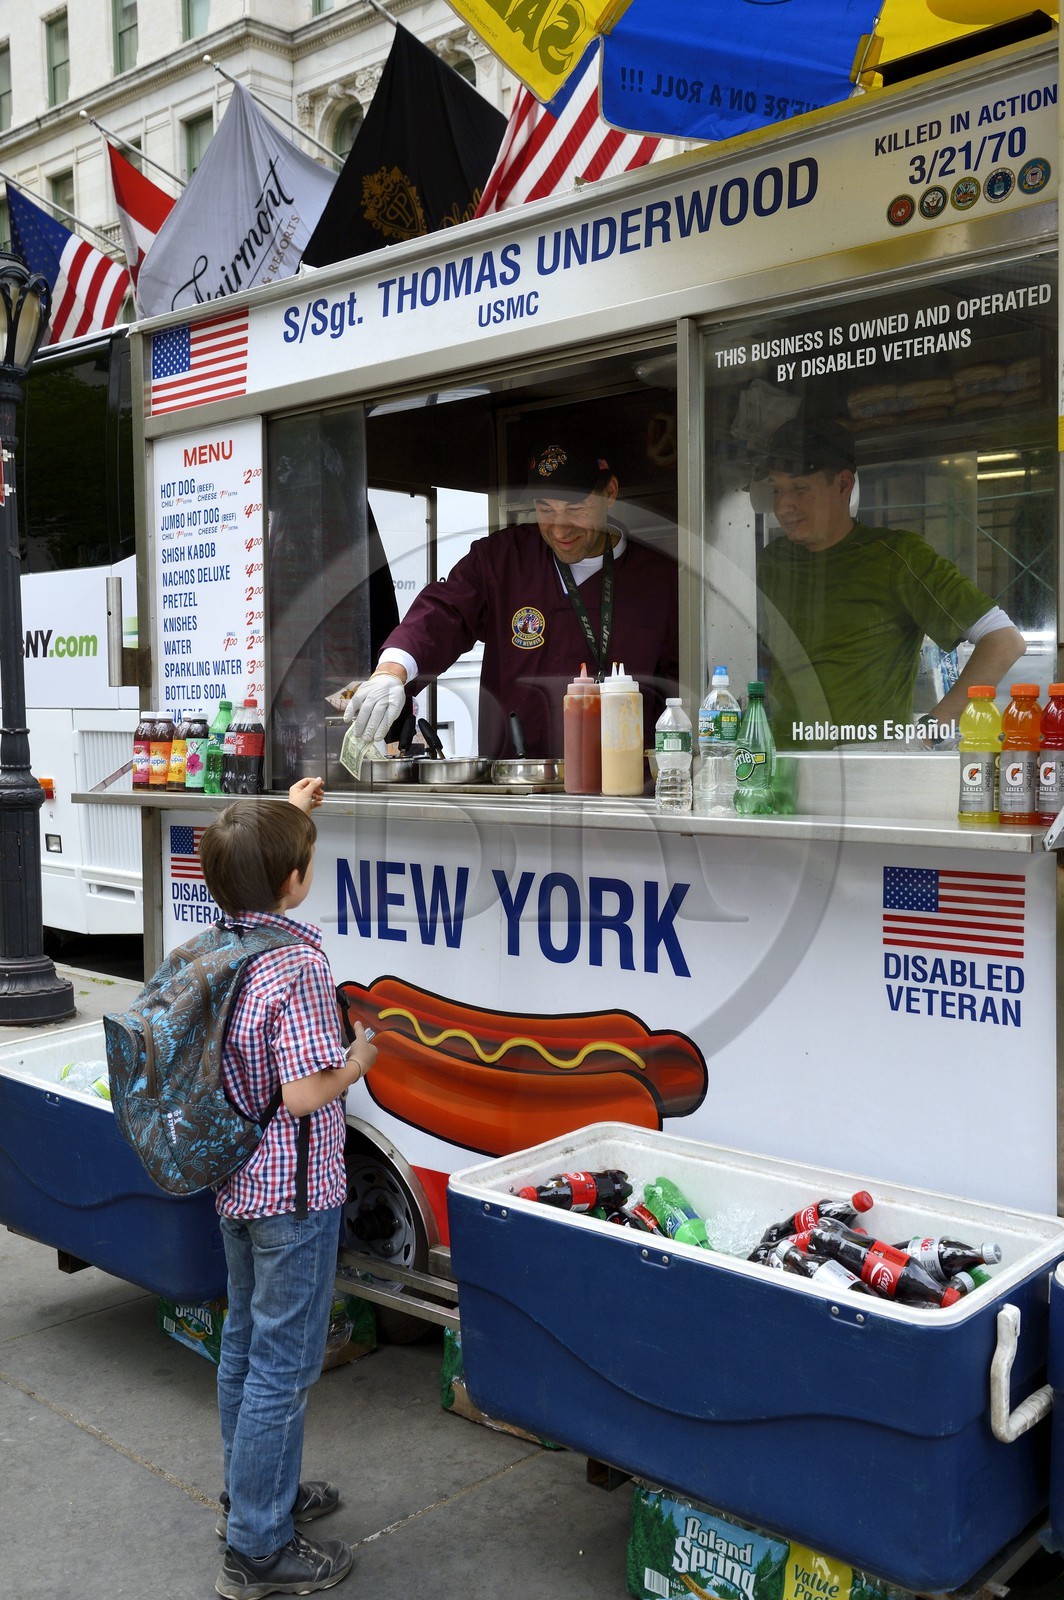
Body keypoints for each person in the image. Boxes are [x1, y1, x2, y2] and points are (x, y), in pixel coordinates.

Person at [198, 775, 376, 1600]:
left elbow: (253, 868)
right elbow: (305, 1093)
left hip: (235, 1183)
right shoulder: (299, 964)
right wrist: (358, 1063)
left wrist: (285, 820)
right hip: (294, 1194)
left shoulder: (223, 937)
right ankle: (259, 1548)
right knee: (283, 1366)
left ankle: (252, 1498)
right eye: (302, 859)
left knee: (243, 1348)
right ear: (292, 883)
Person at [343, 443, 680, 758]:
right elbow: (445, 612)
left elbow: (681, 689)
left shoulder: (661, 579)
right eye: (545, 510)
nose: (560, 530)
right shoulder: (503, 559)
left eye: (575, 509)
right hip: (516, 783)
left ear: (609, 493)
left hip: (627, 788)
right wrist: (390, 672)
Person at [752, 418, 1027, 747]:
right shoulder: (772, 561)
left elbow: (1004, 641)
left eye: (799, 488)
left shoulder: (896, 557)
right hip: (781, 765)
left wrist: (929, 733)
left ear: (842, 485)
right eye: (777, 489)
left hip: (868, 766)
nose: (784, 505)